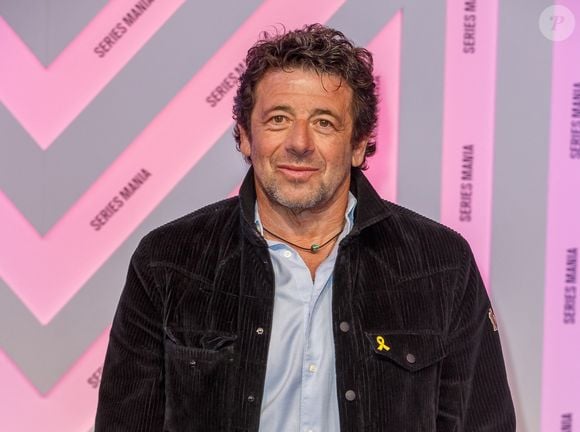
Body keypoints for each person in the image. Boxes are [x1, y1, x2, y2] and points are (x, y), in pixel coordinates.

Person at [95, 24, 516, 431]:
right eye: (278, 119)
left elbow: (483, 424)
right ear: (245, 136)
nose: (299, 143)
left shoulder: (440, 264)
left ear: (358, 144)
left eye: (324, 122)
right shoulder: (169, 261)